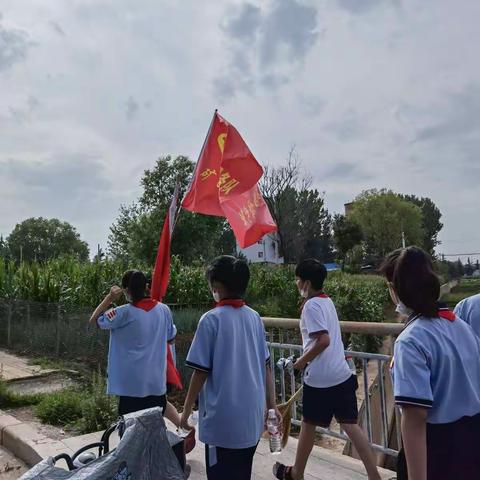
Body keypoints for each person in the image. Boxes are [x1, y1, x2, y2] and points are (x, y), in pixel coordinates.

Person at [273, 259, 380, 480]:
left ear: (307, 283)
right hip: (341, 374)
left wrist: (300, 363)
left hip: (320, 379)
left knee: (308, 424)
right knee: (351, 426)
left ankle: (297, 474)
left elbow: (323, 340)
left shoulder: (311, 306)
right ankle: (374, 475)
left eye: (298, 280)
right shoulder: (327, 302)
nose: (297, 283)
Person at [380, 246, 480, 480]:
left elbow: (415, 419)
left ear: (396, 290)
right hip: (472, 445)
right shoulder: (461, 326)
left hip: (437, 451)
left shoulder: (411, 340)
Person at [180, 255, 280, 480]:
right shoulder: (255, 318)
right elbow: (266, 367)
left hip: (222, 425)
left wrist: (185, 413)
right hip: (251, 420)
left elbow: (200, 373)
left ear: (216, 286)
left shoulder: (211, 320)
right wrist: (272, 407)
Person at [89, 270, 176, 416]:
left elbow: (93, 321)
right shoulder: (164, 310)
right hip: (156, 383)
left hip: (130, 386)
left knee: (131, 433)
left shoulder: (122, 313)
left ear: (126, 291)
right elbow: (171, 338)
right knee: (154, 431)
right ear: (146, 286)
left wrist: (109, 298)